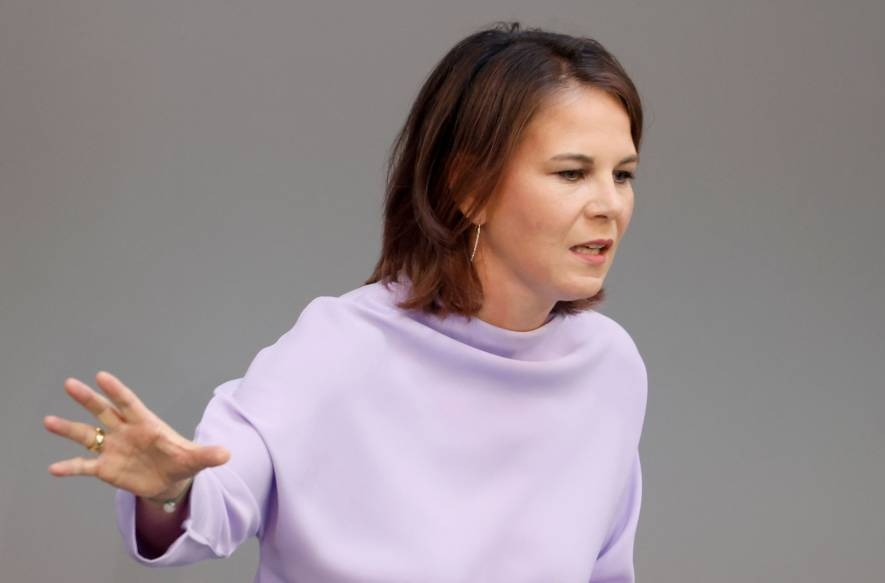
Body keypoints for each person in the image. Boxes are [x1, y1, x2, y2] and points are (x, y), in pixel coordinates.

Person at [43, 21, 648, 582]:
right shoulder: (343, 346)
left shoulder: (610, 369)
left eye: (622, 175)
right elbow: (220, 493)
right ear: (469, 188)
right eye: (572, 173)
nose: (609, 206)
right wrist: (166, 489)